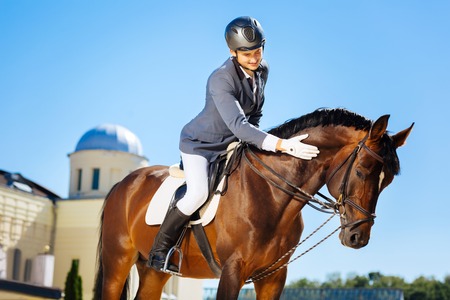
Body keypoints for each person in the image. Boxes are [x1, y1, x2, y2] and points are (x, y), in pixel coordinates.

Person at [147, 16, 319, 273]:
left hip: (232, 142)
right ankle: (160, 251)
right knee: (198, 193)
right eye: (246, 53)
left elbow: (255, 115)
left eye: (258, 51)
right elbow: (239, 125)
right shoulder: (220, 78)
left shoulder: (263, 71)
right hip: (200, 145)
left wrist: (260, 141)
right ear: (232, 52)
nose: (253, 58)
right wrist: (283, 145)